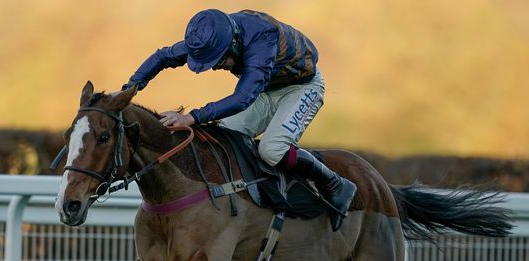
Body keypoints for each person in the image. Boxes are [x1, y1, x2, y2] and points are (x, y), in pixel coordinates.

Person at [123, 9, 356, 231]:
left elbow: (243, 97)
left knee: (272, 149)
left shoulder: (262, 38)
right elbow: (163, 56)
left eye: (219, 61)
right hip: (265, 89)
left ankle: (334, 183)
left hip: (302, 88)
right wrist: (128, 89)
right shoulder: (213, 35)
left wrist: (193, 116)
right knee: (221, 136)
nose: (215, 68)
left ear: (233, 44)